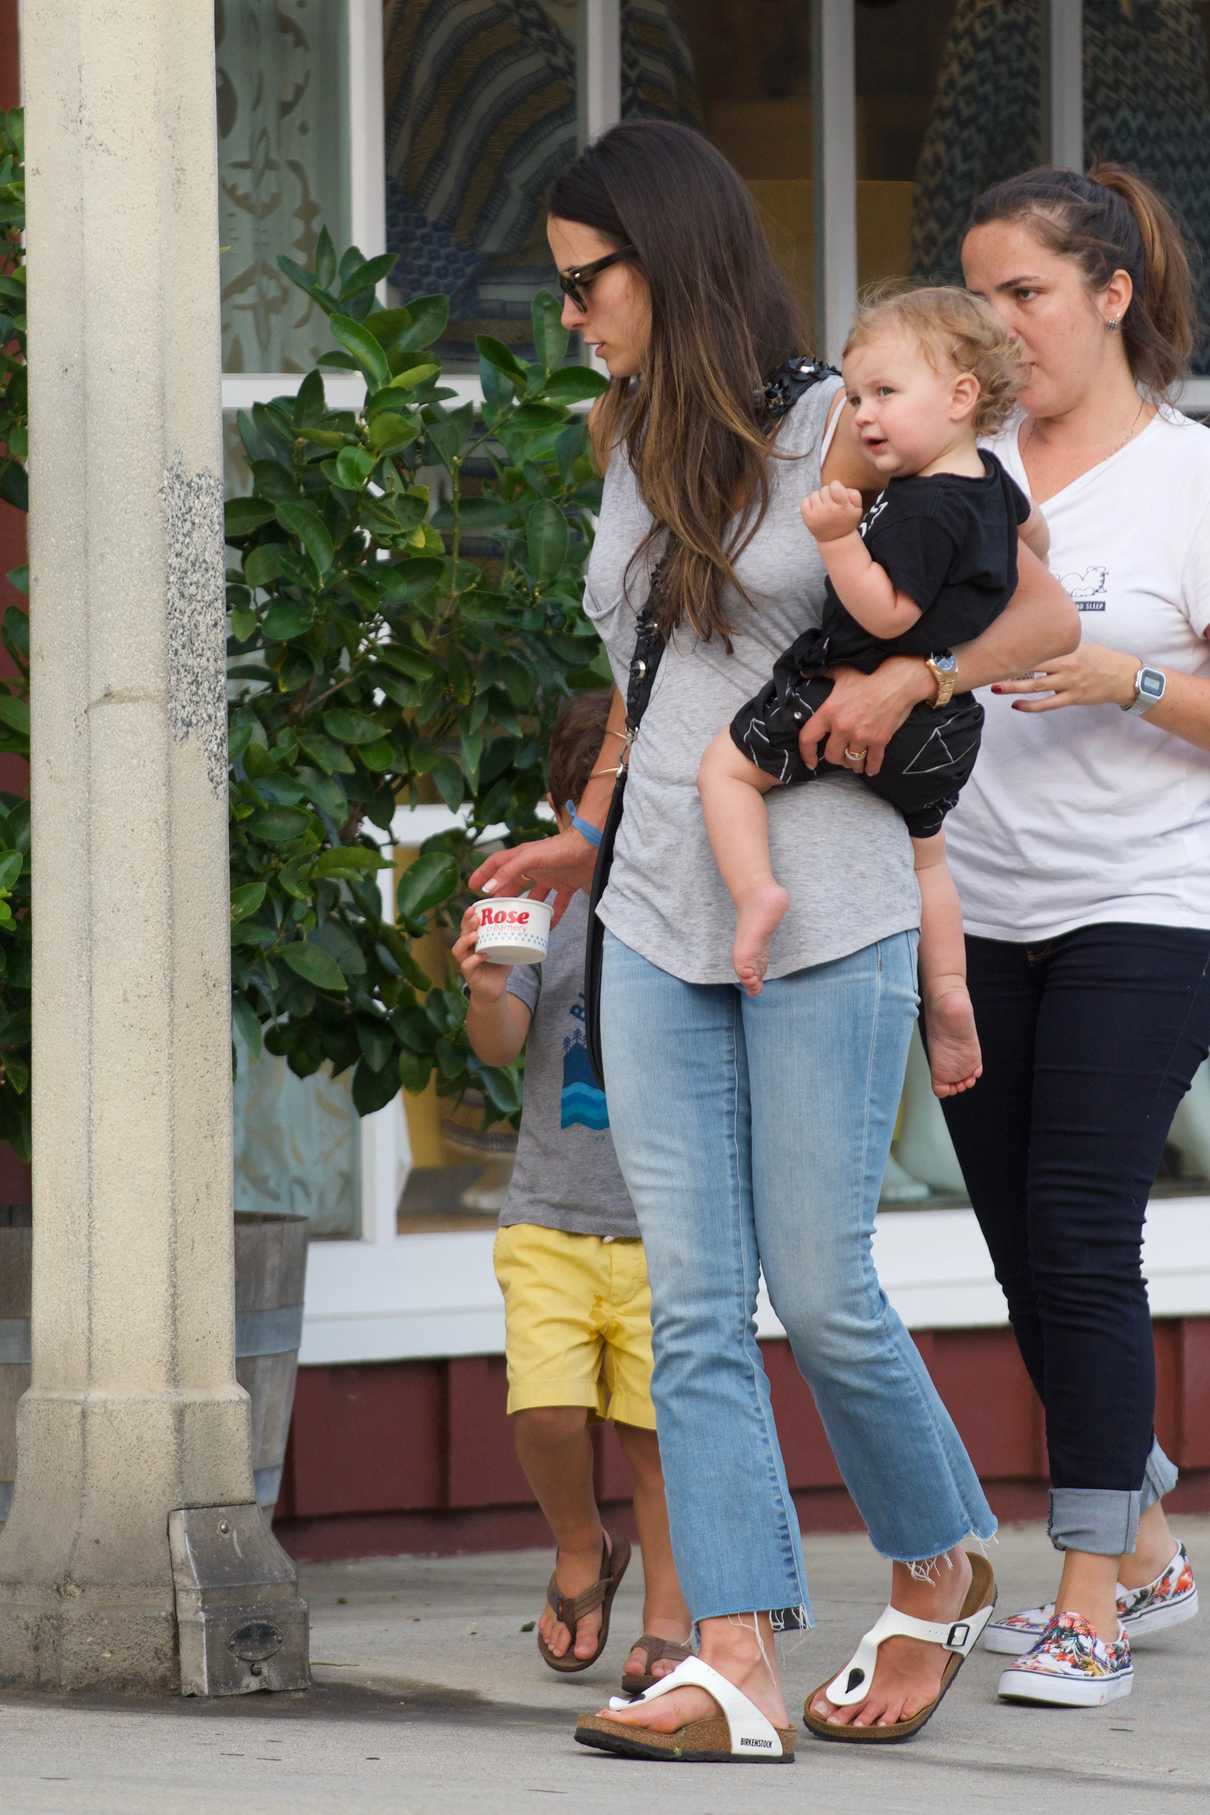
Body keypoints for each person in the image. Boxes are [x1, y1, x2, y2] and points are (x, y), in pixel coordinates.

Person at [470, 119, 1078, 1763]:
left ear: (665, 255)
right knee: (691, 1310)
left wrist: (910, 677)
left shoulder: (844, 416)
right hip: (661, 910)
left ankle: (937, 1559)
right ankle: (731, 1654)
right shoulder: (623, 436)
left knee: (822, 1291)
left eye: (587, 281)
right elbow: (655, 682)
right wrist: (591, 831)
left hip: (823, 910)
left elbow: (1041, 612)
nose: (574, 314)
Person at [937, 162, 1210, 1709]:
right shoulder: (962, 471)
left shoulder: (1181, 482)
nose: (1000, 325)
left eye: (1025, 293)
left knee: (1081, 1239)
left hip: (1146, 904)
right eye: (976, 297)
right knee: (1021, 1258)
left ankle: (1089, 1599)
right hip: (973, 909)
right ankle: (1155, 1534)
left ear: (1109, 296)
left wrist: (1132, 683)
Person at [699, 286, 1048, 1106]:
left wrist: (834, 538)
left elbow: (886, 608)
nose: (862, 414)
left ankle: (756, 893)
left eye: (886, 393)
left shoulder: (920, 507)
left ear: (962, 396)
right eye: (855, 396)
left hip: (841, 697)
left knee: (724, 772)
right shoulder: (990, 481)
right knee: (929, 858)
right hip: (948, 726)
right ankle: (951, 984)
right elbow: (1037, 538)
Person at [453, 690, 691, 1697]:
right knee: (546, 1413)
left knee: (653, 1437)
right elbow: (502, 1046)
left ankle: (671, 1612)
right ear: (564, 806)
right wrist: (480, 986)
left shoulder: (683, 899)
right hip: (549, 1211)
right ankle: (578, 1545)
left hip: (659, 1226)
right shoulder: (540, 907)